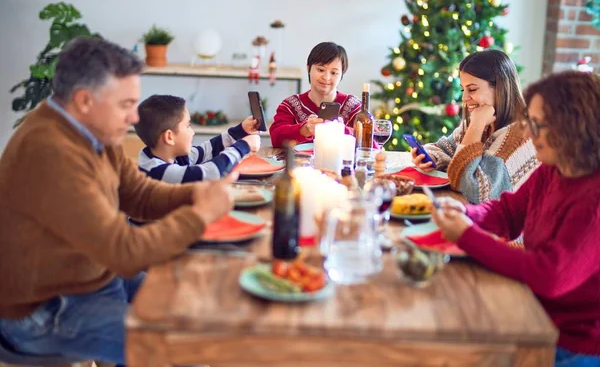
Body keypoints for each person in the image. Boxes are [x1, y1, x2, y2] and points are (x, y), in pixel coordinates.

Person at [0, 37, 235, 365]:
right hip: (42, 307)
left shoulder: (93, 129)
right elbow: (125, 252)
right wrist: (200, 215)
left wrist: (194, 193)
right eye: (125, 105)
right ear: (84, 100)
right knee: (174, 347)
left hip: (91, 274)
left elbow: (137, 193)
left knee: (193, 307)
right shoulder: (49, 152)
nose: (134, 118)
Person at [432, 71, 600, 366]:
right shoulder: (555, 168)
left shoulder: (593, 198)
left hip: (571, 342)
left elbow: (551, 276)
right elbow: (508, 212)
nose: (526, 135)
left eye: (536, 125)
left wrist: (467, 235)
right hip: (534, 311)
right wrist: (466, 213)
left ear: (574, 127)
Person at [412, 49, 538, 204]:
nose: (464, 98)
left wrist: (476, 125)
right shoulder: (483, 122)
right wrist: (432, 158)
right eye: (462, 89)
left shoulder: (521, 135)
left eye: (472, 89)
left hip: (504, 227)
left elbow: (475, 191)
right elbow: (441, 148)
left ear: (500, 88)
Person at [134, 94, 261, 184]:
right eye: (188, 126)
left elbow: (207, 150)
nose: (192, 132)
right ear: (169, 137)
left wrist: (240, 131)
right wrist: (243, 146)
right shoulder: (157, 172)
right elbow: (212, 173)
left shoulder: (171, 155)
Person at [269, 42, 361, 147]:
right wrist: (305, 129)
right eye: (321, 70)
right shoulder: (290, 105)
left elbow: (373, 144)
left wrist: (341, 130)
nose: (326, 78)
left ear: (341, 74)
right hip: (298, 163)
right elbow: (275, 138)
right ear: (308, 68)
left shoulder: (354, 107)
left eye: (334, 73)